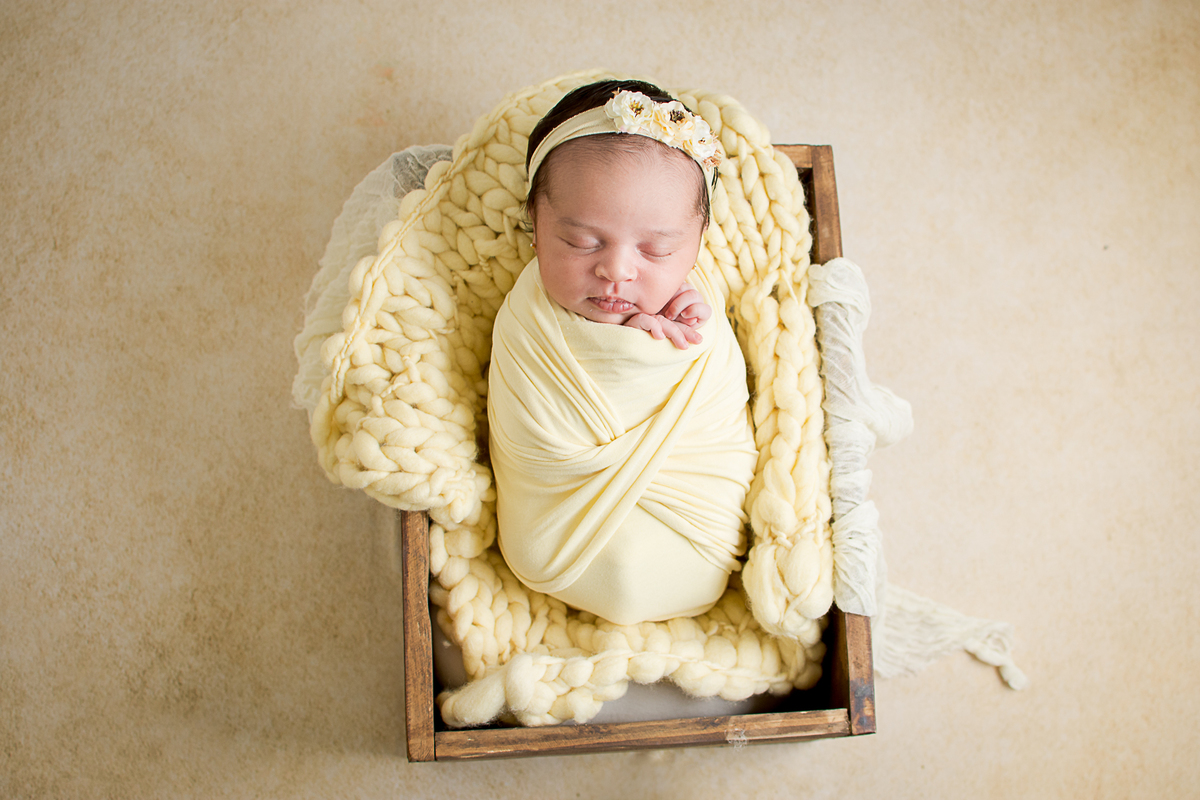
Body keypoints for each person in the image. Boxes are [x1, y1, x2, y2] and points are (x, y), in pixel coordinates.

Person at [487, 80, 758, 626]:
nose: (617, 270)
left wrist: (667, 348)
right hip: (555, 544)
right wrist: (629, 345)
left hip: (693, 540)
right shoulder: (527, 318)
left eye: (657, 249)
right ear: (534, 227)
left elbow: (716, 401)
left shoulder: (699, 300)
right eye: (582, 242)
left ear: (698, 242)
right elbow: (531, 426)